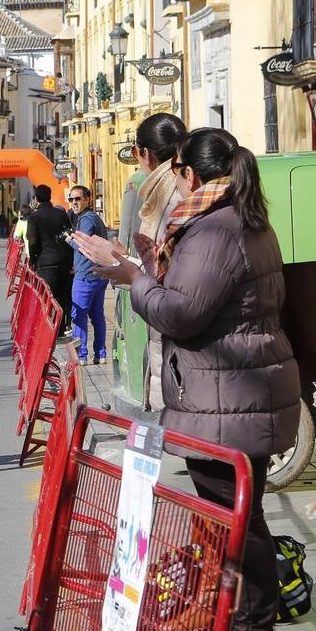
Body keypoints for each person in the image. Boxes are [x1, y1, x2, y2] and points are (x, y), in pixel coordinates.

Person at [72, 127, 299, 631]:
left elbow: (181, 312)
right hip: (230, 397)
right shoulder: (240, 220)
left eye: (177, 173)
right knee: (237, 523)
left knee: (239, 528)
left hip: (227, 401)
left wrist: (129, 275)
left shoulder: (215, 230)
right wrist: (141, 265)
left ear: (191, 176)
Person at [133, 112, 188, 410]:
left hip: (176, 340)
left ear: (145, 153)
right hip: (167, 335)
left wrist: (132, 273)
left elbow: (168, 270)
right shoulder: (161, 192)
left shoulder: (173, 197)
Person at [66, 186, 108, 364]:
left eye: (78, 199)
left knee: (79, 315)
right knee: (97, 315)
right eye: (71, 200)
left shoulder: (86, 220)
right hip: (100, 274)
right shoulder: (95, 218)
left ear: (88, 199)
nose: (74, 203)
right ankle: (101, 353)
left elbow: (86, 246)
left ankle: (81, 356)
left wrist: (69, 240)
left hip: (86, 276)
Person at [25, 185, 73, 320]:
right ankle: (64, 324)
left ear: (37, 198)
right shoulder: (60, 214)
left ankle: (51, 325)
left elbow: (32, 241)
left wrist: (33, 259)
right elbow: (69, 234)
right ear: (50, 196)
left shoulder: (34, 217)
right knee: (63, 294)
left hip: (45, 261)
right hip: (63, 260)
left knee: (48, 296)